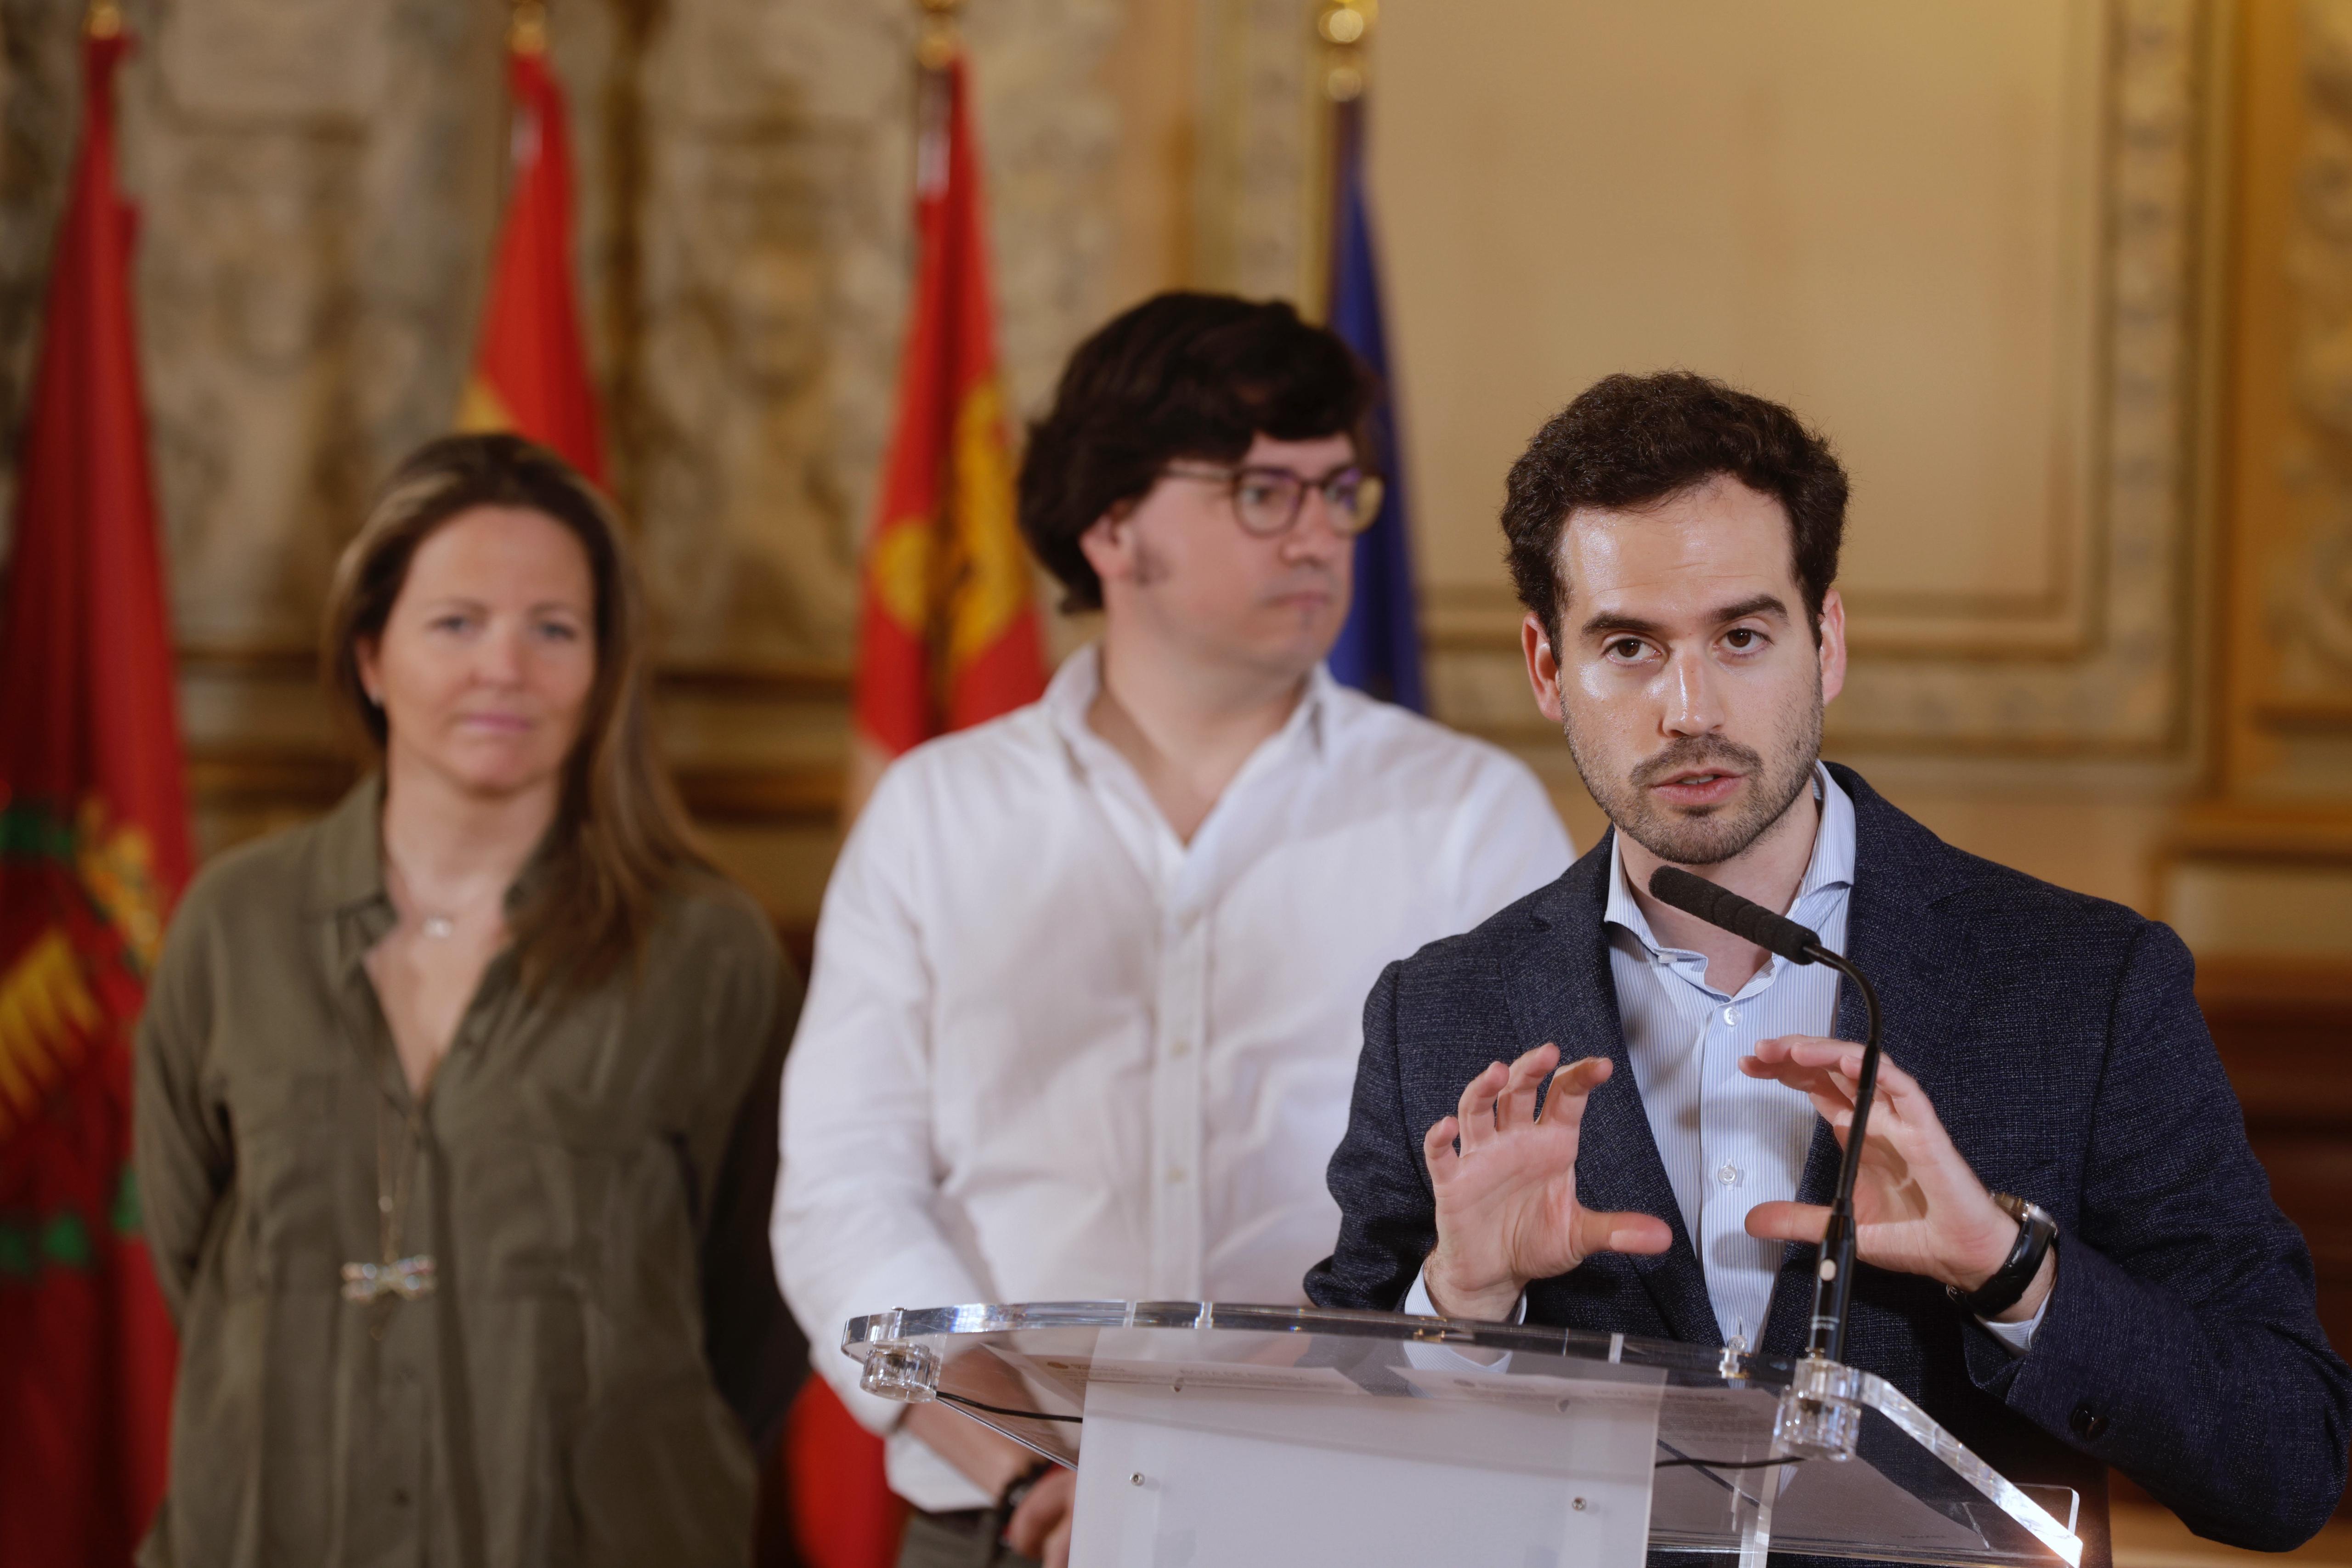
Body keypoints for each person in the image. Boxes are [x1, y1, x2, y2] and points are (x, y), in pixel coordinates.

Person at [1306, 372, 2351, 1561]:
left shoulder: (2086, 983)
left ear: (1828, 641)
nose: (1690, 709)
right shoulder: (1438, 1011)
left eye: (1742, 636)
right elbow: (1323, 1469)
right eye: (1629, 646)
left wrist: (2011, 1271)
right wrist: (1462, 1301)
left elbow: (2287, 1461)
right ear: (1547, 667)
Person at [774, 292, 1573, 1568]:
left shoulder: (1465, 815)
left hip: (1353, 1511)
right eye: (1263, 492)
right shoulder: (937, 812)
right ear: (1111, 525)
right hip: (1003, 1515)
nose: (1318, 534)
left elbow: (1529, 1186)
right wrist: (1031, 1463)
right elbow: (842, 1193)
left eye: (1339, 492)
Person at [133, 435, 799, 1567]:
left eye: (555, 629)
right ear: (370, 656)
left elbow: (762, 1306)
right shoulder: (232, 926)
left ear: (603, 670)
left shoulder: (710, 952)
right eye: (456, 623)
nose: (506, 668)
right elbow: (196, 1262)